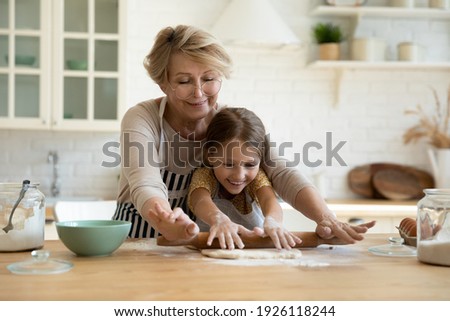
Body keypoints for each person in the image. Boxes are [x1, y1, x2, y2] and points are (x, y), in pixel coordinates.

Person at [113, 24, 375, 242]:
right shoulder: (142, 118)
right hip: (137, 241)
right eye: (184, 81)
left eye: (209, 78)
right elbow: (145, 182)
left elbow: (280, 172)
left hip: (191, 241)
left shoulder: (229, 123)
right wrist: (166, 219)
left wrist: (325, 217)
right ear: (163, 83)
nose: (199, 92)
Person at [188, 107, 301, 250]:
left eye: (250, 164)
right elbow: (200, 201)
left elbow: (269, 200)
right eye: (229, 164)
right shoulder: (205, 176)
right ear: (211, 156)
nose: (239, 175)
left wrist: (273, 221)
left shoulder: (256, 178)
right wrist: (218, 219)